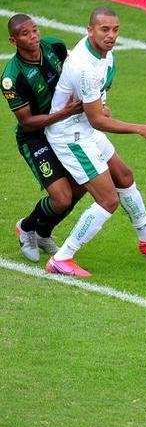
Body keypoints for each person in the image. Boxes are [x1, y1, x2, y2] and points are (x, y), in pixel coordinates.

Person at [42, 6, 146, 277]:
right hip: (70, 135)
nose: (111, 35)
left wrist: (101, 108)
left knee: (124, 175)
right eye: (104, 29)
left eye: (115, 30)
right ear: (90, 30)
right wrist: (139, 128)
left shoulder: (106, 57)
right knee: (108, 200)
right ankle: (62, 258)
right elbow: (97, 119)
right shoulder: (83, 67)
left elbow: (97, 106)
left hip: (84, 128)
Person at [4, 14, 86, 261]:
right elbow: (27, 122)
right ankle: (27, 228)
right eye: (25, 34)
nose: (33, 36)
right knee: (61, 198)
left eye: (35, 30)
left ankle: (43, 233)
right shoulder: (11, 78)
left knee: (82, 184)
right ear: (13, 40)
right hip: (36, 138)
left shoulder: (55, 47)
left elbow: (77, 75)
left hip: (64, 130)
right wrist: (64, 113)